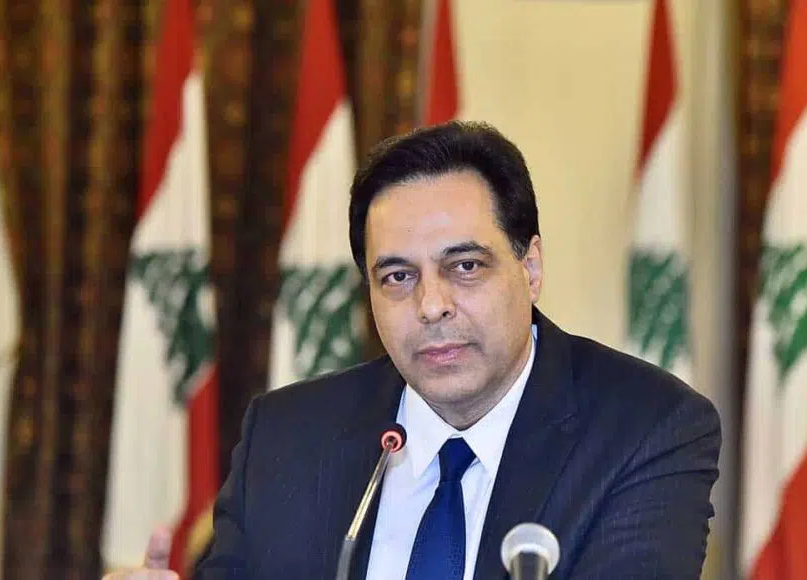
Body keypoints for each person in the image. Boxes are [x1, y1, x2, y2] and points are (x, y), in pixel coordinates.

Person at [105, 121, 721, 580]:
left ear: (530, 267)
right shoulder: (287, 437)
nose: (431, 305)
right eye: (398, 277)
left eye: (465, 266)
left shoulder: (645, 429)